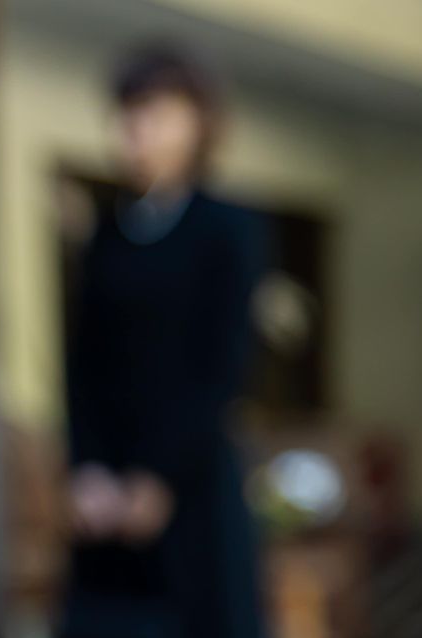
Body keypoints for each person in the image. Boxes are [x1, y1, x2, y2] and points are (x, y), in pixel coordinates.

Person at [60, 44, 267, 638]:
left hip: (190, 480)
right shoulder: (108, 235)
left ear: (198, 124)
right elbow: (85, 364)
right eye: (128, 115)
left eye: (154, 113)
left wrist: (158, 477)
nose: (137, 132)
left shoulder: (228, 227)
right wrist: (89, 468)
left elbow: (222, 363)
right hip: (107, 497)